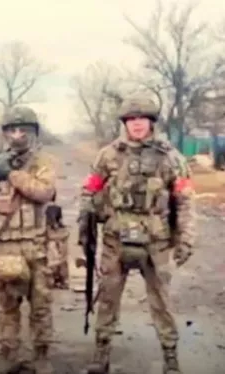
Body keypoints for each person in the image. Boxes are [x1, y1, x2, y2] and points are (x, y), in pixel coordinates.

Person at [78, 96, 195, 374]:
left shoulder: (171, 157)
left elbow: (186, 200)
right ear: (125, 123)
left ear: (152, 122)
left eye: (143, 119)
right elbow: (89, 191)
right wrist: (85, 230)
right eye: (132, 119)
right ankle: (101, 355)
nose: (138, 124)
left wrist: (186, 238)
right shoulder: (108, 155)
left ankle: (171, 359)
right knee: (108, 299)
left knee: (162, 303)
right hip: (115, 241)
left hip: (156, 242)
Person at [0, 106, 56, 374]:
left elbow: (43, 192)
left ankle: (41, 356)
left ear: (33, 133)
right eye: (12, 130)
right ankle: (8, 355)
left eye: (23, 130)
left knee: (40, 304)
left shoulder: (43, 162)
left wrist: (11, 174)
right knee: (7, 306)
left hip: (36, 244)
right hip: (5, 243)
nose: (18, 135)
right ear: (5, 134)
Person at [44, 197, 70, 289]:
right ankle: (62, 281)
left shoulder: (44, 209)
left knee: (51, 259)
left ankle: (53, 280)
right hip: (58, 237)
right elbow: (59, 222)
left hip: (50, 237)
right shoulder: (57, 208)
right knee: (62, 259)